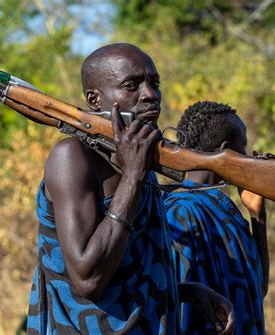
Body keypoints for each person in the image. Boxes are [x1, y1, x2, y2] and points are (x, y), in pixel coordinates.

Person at [27, 44, 234, 334]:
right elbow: (88, 280)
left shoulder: (138, 157)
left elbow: (124, 270)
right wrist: (134, 175)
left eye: (154, 83)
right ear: (95, 100)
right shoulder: (72, 157)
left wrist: (186, 291)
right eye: (131, 85)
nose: (151, 94)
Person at [164, 101, 268, 335]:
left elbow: (258, 290)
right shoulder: (180, 211)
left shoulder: (224, 208)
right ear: (226, 151)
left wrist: (257, 216)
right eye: (243, 150)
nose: (248, 159)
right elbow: (174, 306)